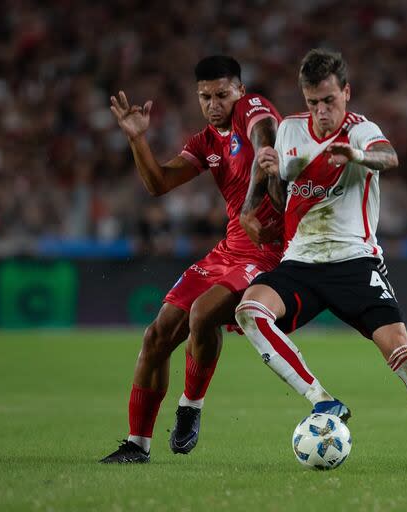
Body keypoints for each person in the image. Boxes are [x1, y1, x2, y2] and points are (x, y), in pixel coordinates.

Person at [234, 49, 407, 469]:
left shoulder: (361, 131)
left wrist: (357, 157)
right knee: (250, 311)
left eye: (329, 100)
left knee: (404, 356)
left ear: (346, 93)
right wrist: (273, 174)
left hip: (355, 262)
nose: (322, 111)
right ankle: (322, 401)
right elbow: (284, 199)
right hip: (302, 264)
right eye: (313, 102)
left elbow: (390, 157)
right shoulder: (289, 130)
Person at [100, 56, 284, 463]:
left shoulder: (253, 110)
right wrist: (137, 139)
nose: (214, 103)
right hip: (228, 251)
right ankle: (136, 445)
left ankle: (190, 406)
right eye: (205, 96)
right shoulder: (206, 142)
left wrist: (269, 160)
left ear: (239, 89)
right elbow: (159, 183)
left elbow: (265, 134)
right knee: (157, 335)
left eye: (222, 93)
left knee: (203, 313)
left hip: (269, 253)